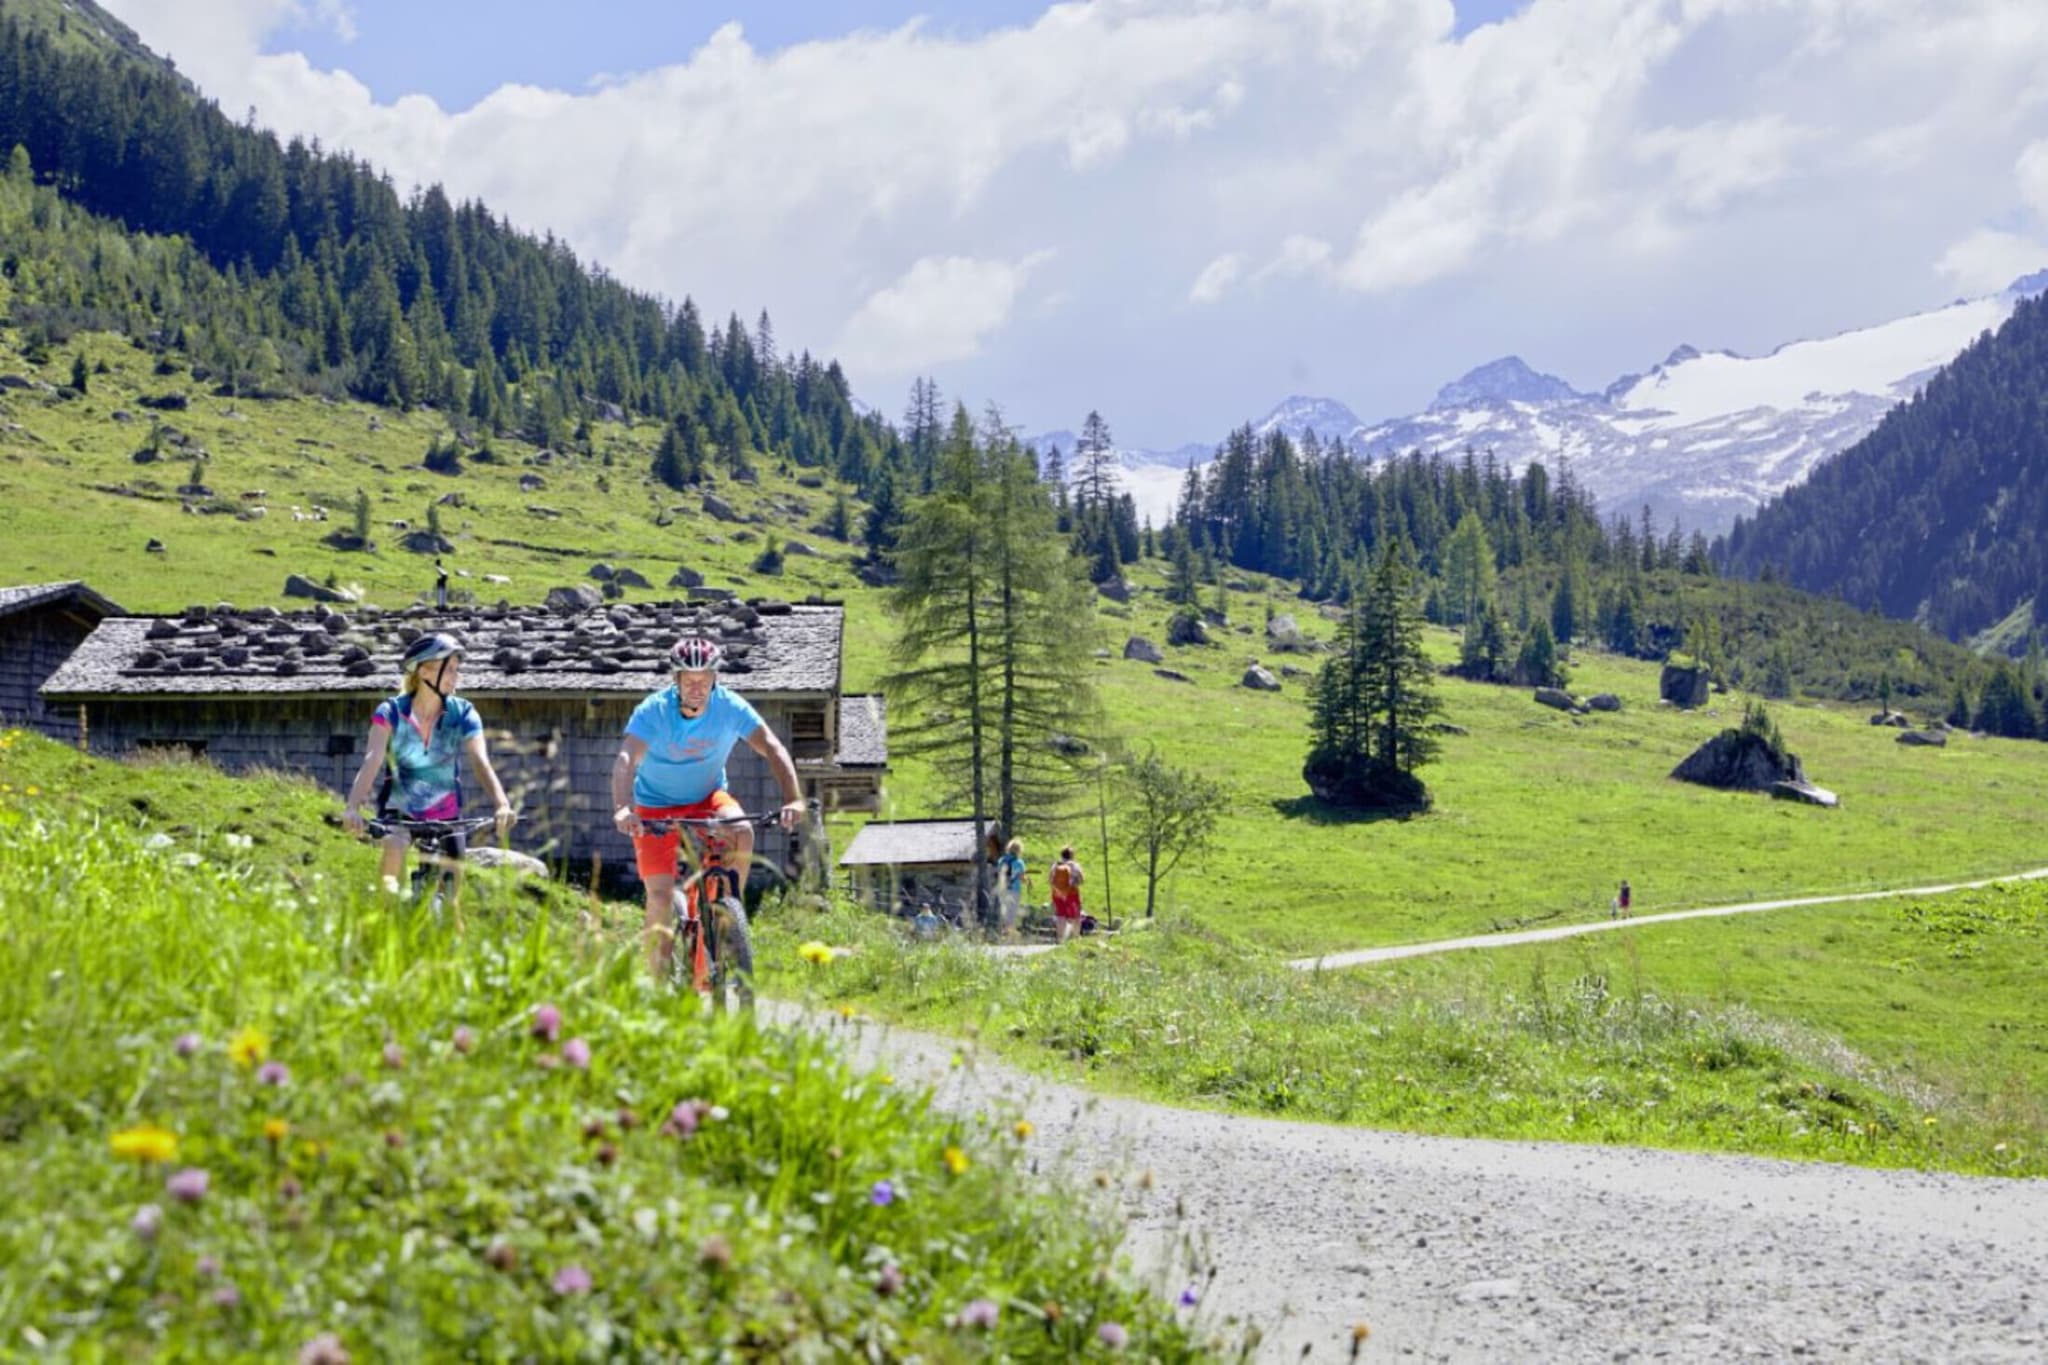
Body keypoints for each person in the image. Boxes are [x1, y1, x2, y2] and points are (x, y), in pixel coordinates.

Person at [612, 635, 806, 982]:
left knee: (741, 830)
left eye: (704, 679)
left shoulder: (731, 707)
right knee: (658, 897)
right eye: (689, 680)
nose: (697, 687)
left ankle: (729, 916)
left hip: (708, 798)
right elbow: (627, 758)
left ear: (715, 679)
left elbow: (773, 748)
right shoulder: (653, 711)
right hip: (655, 806)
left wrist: (793, 798)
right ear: (677, 681)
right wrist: (623, 808)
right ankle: (659, 988)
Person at [342, 632, 515, 904]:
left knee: (452, 899)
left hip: (448, 817)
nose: (455, 677)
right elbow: (373, 759)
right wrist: (353, 807)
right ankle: (386, 927)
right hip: (398, 813)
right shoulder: (390, 712)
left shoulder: (464, 712)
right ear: (423, 671)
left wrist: (502, 803)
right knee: (394, 852)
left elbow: (480, 760)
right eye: (449, 671)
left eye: (457, 671)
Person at [994, 838, 1030, 937]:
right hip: (1014, 889)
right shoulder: (1019, 862)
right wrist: (1027, 880)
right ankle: (1008, 933)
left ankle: (1002, 931)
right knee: (1012, 911)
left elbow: (998, 873)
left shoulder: (1001, 860)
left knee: (1004, 910)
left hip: (1002, 888)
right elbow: (1021, 877)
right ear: (1019, 850)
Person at [1049, 846, 1084, 944]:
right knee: (1075, 916)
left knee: (1060, 916)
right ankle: (1076, 938)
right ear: (1072, 855)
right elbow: (1081, 879)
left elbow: (1050, 879)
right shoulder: (1074, 865)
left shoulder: (1056, 865)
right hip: (1071, 893)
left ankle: (1060, 939)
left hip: (1057, 894)